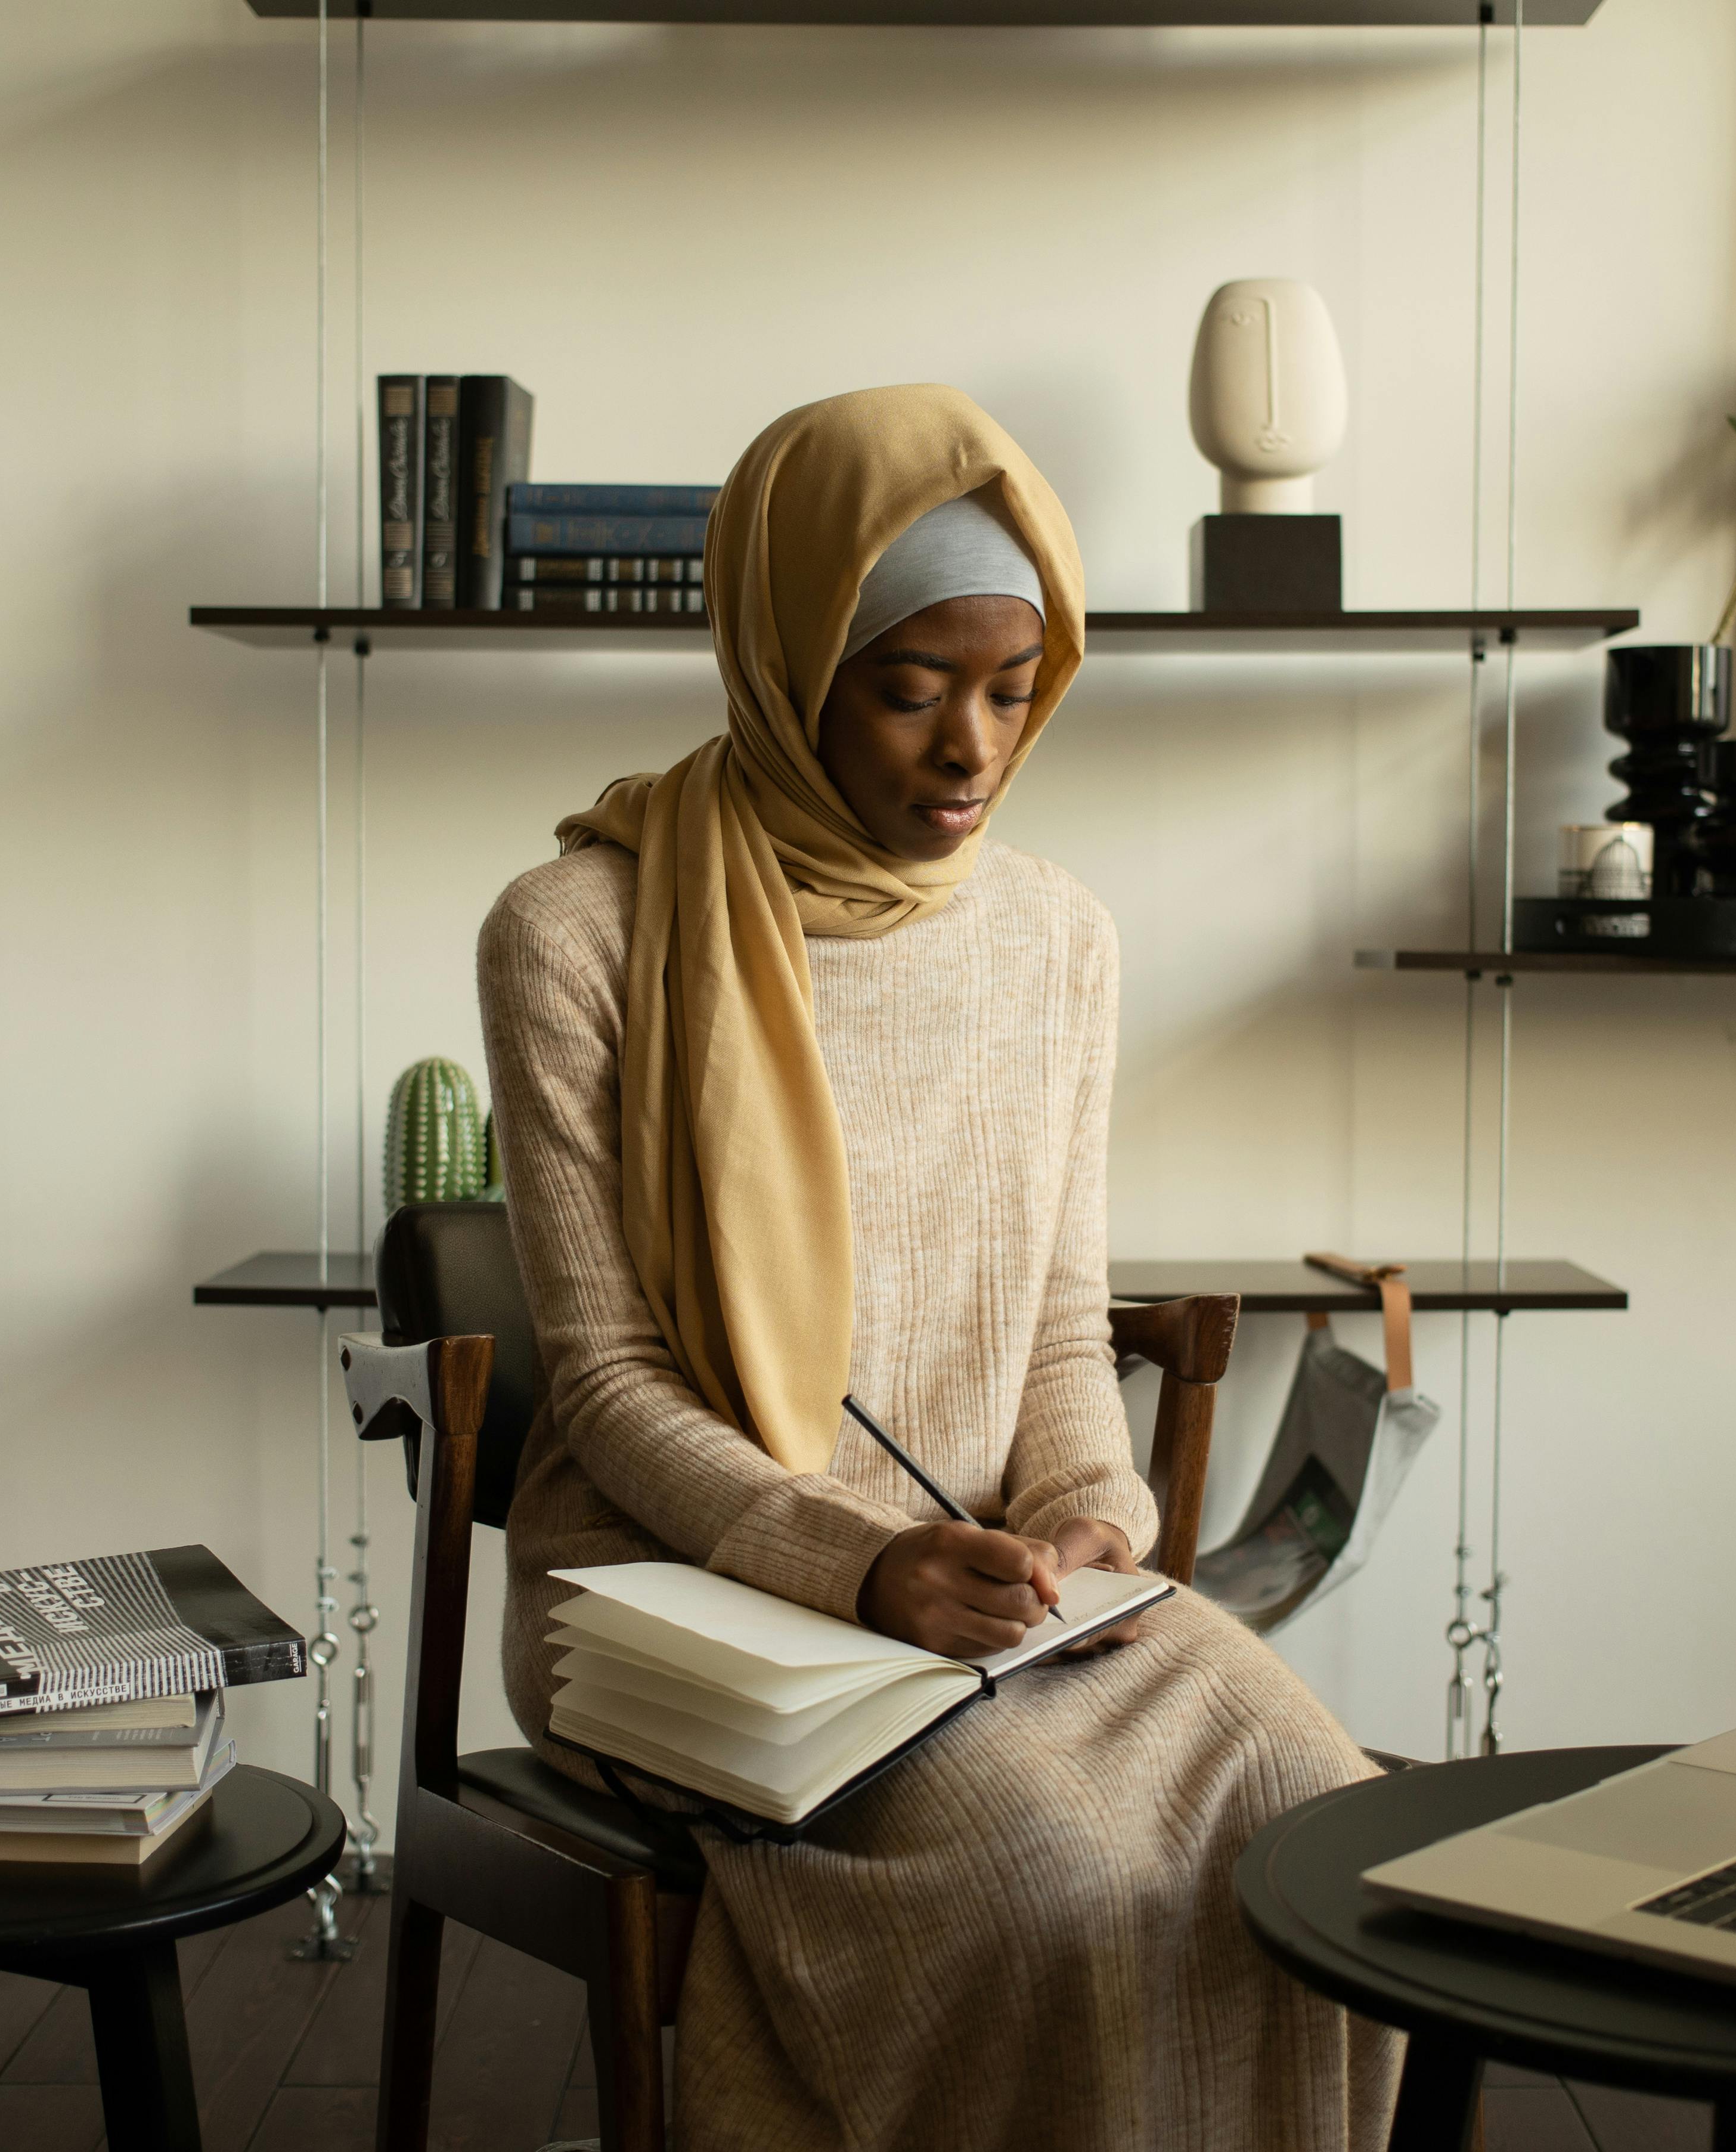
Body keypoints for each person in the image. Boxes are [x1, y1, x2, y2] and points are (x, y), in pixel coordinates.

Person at [475, 383, 1396, 2151]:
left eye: (1011, 688)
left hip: (997, 1591)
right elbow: (606, 1383)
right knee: (1054, 1876)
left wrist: (1093, 1524)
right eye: (908, 690)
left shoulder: (1060, 936)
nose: (970, 746)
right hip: (679, 1596)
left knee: (1310, 1808)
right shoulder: (574, 933)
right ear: (782, 658)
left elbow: (1056, 1320)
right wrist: (863, 1561)